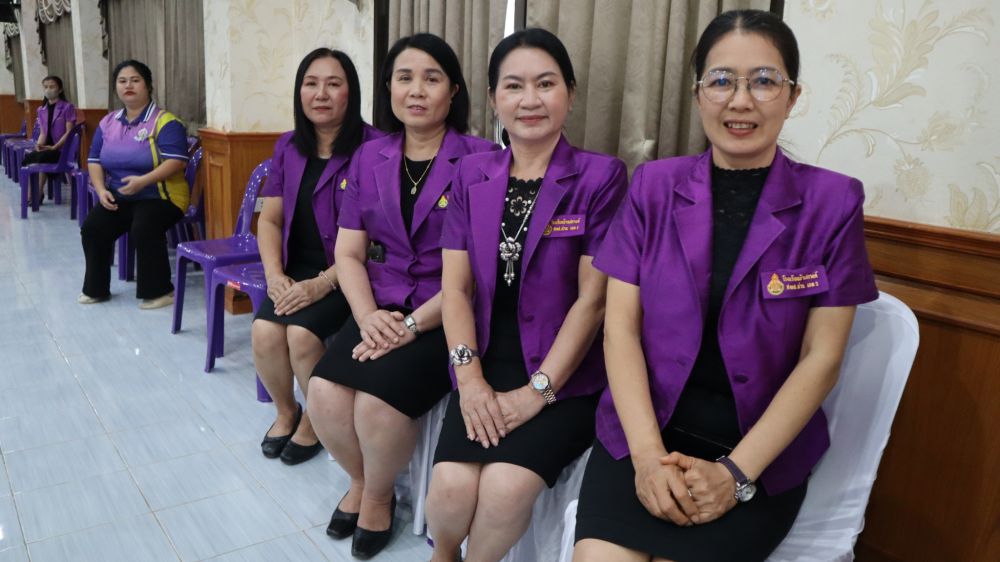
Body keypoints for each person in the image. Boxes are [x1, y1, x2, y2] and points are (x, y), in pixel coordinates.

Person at [573, 10, 879, 562]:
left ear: (792, 96)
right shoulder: (654, 187)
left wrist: (736, 474)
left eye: (763, 81)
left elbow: (822, 357)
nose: (740, 101)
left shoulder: (833, 203)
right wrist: (647, 459)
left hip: (757, 448)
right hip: (645, 429)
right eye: (721, 81)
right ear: (698, 95)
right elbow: (620, 329)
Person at [425, 29, 627, 562]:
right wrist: (470, 380)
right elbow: (455, 288)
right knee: (449, 489)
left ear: (570, 94)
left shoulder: (600, 177)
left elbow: (592, 302)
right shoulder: (471, 174)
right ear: (494, 98)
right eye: (514, 86)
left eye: (546, 84)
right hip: (485, 359)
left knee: (505, 488)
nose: (530, 99)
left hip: (566, 371)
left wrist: (538, 391)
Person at [306, 33, 496, 559]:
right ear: (388, 87)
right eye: (404, 78)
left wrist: (410, 327)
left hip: (446, 310)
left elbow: (476, 274)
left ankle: (377, 498)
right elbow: (348, 253)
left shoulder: (483, 158)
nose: (416, 90)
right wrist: (369, 317)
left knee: (377, 407)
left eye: (432, 78)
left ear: (453, 91)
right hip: (382, 303)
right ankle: (363, 481)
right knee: (322, 393)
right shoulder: (370, 156)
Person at [253, 48, 384, 465]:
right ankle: (286, 412)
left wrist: (321, 284)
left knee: (301, 335)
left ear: (351, 92)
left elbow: (376, 240)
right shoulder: (289, 146)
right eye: (311, 83)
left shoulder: (376, 148)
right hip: (296, 268)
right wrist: (275, 275)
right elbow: (270, 219)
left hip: (350, 272)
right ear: (299, 92)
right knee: (264, 332)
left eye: (333, 84)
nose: (321, 94)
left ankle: (315, 420)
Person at [79, 60, 189, 309]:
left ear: (148, 86)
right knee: (93, 228)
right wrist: (101, 190)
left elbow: (177, 161)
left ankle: (160, 291)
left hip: (162, 196)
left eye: (135, 80)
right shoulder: (108, 122)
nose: (128, 85)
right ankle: (96, 289)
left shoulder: (165, 121)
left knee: (144, 226)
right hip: (121, 196)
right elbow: (94, 160)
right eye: (122, 81)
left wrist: (143, 181)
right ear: (116, 88)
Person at [22, 75, 76, 203]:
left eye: (52, 87)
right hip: (48, 149)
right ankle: (34, 194)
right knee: (29, 158)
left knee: (40, 157)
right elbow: (43, 133)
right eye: (45, 87)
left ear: (60, 89)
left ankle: (36, 194)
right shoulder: (41, 110)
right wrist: (39, 145)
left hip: (62, 150)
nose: (48, 90)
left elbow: (69, 132)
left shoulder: (67, 107)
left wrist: (55, 147)